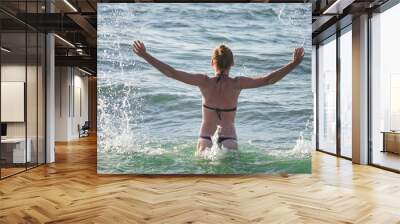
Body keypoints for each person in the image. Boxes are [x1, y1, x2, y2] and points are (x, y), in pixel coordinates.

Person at [132, 40, 304, 153]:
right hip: (230, 140)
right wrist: (293, 63)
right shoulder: (238, 83)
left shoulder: (204, 82)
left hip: (205, 139)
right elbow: (269, 80)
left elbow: (171, 73)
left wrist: (145, 55)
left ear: (212, 62)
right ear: (232, 63)